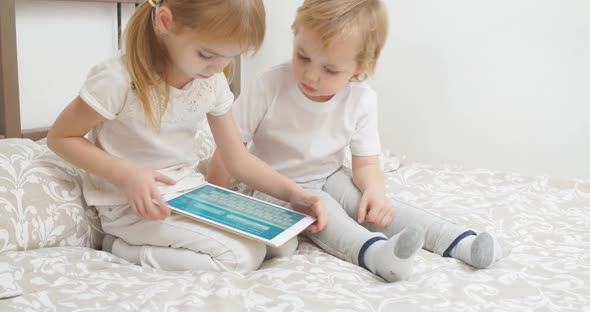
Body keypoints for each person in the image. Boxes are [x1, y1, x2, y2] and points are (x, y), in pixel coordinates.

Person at [208, 0, 507, 282]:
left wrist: (375, 191)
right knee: (324, 209)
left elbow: (365, 165)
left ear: (360, 68)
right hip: (272, 186)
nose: (311, 74)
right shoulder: (268, 85)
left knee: (372, 206)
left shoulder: (362, 100)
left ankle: (462, 241)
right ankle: (378, 256)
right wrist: (214, 200)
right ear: (295, 35)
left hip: (328, 176)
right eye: (303, 56)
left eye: (330, 69)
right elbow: (229, 149)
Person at [47, 0, 326, 273]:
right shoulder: (119, 79)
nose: (219, 67)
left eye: (230, 56)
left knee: (284, 244)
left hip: (190, 193)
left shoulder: (211, 81)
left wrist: (294, 193)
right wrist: (126, 173)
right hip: (133, 205)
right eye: (207, 54)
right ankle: (121, 248)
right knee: (242, 258)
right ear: (166, 22)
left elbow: (237, 158)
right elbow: (61, 137)